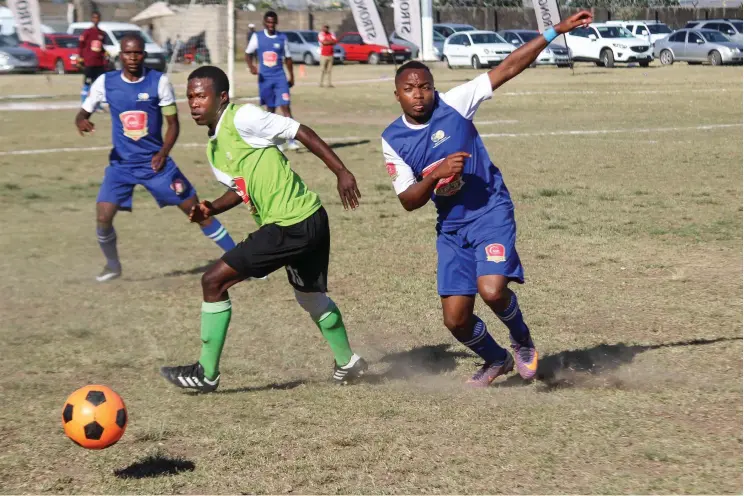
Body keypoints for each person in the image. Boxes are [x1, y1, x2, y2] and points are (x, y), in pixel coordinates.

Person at [380, 11, 593, 387]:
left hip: (490, 210)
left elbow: (508, 67)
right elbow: (408, 200)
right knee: (456, 320)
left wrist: (555, 30)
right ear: (397, 93)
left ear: (433, 87)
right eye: (410, 89)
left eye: (425, 86)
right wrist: (436, 173)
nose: (419, 94)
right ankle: (496, 359)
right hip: (451, 227)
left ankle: (522, 340)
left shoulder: (456, 104)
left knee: (492, 290)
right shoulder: (392, 139)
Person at [160, 66, 365, 392]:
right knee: (311, 299)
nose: (194, 103)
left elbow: (299, 130)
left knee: (213, 281)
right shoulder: (213, 149)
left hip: (291, 224)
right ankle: (349, 362)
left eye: (201, 95)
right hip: (310, 219)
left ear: (221, 97)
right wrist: (211, 207)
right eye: (190, 97)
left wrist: (341, 171)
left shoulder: (243, 118)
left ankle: (206, 373)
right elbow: (242, 190)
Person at [74, 35, 238, 282]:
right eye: (128, 53)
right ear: (121, 54)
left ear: (143, 54)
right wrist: (82, 121)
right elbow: (82, 113)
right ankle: (112, 266)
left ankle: (240, 262)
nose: (132, 58)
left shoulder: (158, 82)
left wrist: (163, 153)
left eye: (137, 53)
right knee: (103, 217)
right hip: (121, 165)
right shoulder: (104, 83)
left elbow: (173, 125)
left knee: (197, 212)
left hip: (155, 163)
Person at [244, 11, 299, 151]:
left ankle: (292, 140)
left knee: (285, 107)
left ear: (276, 22)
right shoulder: (257, 37)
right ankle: (276, 141)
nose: (271, 25)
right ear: (264, 22)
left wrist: (291, 76)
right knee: (270, 109)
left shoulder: (282, 38)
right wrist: (251, 67)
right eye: (268, 22)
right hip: (265, 79)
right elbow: (248, 53)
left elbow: (288, 58)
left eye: (273, 22)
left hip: (280, 77)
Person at [77, 11, 108, 106]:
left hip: (99, 63)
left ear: (99, 19)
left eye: (97, 18)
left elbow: (102, 48)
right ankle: (84, 103)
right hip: (89, 62)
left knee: (97, 85)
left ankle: (97, 105)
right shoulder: (87, 32)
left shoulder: (102, 33)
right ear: (91, 19)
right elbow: (81, 46)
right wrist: (80, 58)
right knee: (87, 82)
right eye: (94, 18)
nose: (96, 20)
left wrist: (105, 56)